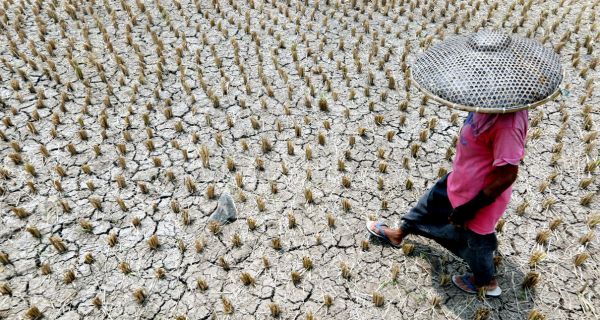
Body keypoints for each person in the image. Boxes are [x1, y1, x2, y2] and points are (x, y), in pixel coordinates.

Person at [366, 110, 528, 297]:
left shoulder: (509, 123)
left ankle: (485, 282)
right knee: (429, 204)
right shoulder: (487, 100)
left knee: (477, 240)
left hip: (480, 199)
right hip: (459, 181)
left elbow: (507, 175)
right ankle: (399, 233)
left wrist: (470, 208)